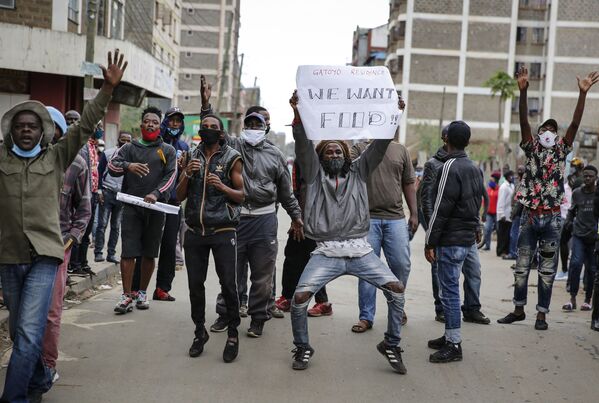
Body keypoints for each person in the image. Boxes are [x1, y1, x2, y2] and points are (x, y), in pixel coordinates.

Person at [0, 49, 124, 403]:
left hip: (45, 257)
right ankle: (39, 378)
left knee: (26, 332)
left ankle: (15, 397)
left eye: (33, 126)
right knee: (20, 329)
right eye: (20, 126)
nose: (26, 131)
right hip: (9, 258)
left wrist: (107, 90)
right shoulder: (1, 158)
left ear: (43, 132)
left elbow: (84, 124)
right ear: (12, 131)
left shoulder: (56, 157)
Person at [288, 91, 406, 373]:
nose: (334, 153)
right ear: (321, 157)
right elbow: (303, 145)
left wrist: (394, 114)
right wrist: (298, 113)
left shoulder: (360, 171)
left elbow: (379, 146)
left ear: (347, 155)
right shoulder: (315, 175)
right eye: (329, 151)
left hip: (360, 250)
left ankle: (391, 343)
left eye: (338, 150)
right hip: (326, 252)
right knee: (299, 299)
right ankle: (303, 346)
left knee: (397, 290)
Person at [497, 67, 599, 330]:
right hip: (530, 216)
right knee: (521, 265)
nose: (548, 133)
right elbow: (522, 123)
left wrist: (582, 95)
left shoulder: (562, 150)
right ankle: (519, 309)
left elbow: (575, 124)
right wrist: (523, 92)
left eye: (553, 130)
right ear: (539, 133)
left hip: (552, 218)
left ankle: (541, 314)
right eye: (545, 129)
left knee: (547, 270)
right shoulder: (531, 149)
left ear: (557, 136)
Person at [201, 77, 303, 338]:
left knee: (262, 276)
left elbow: (286, 193)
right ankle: (226, 314)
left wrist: (296, 217)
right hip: (235, 218)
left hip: (264, 220)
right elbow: (211, 131)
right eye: (250, 123)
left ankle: (258, 317)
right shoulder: (233, 146)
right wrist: (206, 105)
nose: (254, 127)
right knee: (230, 273)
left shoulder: (276, 155)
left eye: (259, 124)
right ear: (244, 126)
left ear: (266, 128)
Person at [176, 114, 245, 362]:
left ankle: (233, 333)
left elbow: (242, 195)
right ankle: (199, 332)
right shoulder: (190, 157)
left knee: (228, 284)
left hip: (223, 231)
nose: (208, 130)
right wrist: (186, 173)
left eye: (213, 128)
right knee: (195, 285)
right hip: (195, 231)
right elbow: (178, 196)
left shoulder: (231, 158)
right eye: (204, 127)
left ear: (221, 133)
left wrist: (222, 186)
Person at [350, 97, 416, 333]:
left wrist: (414, 214)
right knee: (367, 269)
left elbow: (409, 183)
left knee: (401, 265)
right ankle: (366, 316)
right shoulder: (359, 149)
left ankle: (397, 307)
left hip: (395, 219)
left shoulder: (401, 151)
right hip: (366, 220)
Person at [424, 120, 486, 363]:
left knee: (449, 293)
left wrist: (430, 241)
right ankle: (449, 334)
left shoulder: (449, 167)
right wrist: (477, 227)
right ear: (468, 141)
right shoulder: (473, 167)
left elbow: (441, 209)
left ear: (446, 139)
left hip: (451, 240)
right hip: (465, 239)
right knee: (452, 291)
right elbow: (477, 203)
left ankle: (454, 344)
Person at [108, 106, 177, 314]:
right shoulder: (129, 147)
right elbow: (112, 166)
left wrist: (155, 194)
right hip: (131, 207)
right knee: (128, 252)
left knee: (149, 253)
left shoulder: (167, 150)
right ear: (141, 125)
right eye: (147, 121)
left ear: (160, 125)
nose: (151, 124)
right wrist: (129, 166)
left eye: (155, 122)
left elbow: (171, 177)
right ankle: (126, 296)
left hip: (155, 209)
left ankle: (142, 294)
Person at [42, 106, 92, 384]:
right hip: (22, 251)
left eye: (53, 127)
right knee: (22, 316)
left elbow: (84, 211)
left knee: (50, 313)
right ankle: (26, 362)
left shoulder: (77, 164)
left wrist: (69, 242)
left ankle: (47, 366)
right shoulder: (19, 162)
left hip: (57, 249)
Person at [274, 161, 333, 317]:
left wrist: (300, 220)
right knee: (293, 257)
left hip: (315, 221)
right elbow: (298, 191)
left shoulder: (318, 159)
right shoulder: (301, 159)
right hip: (302, 218)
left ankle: (323, 302)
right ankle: (288, 297)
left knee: (314, 260)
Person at [152, 106, 190, 302]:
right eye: (171, 120)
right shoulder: (155, 143)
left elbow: (187, 176)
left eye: (178, 121)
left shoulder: (184, 148)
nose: (175, 124)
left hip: (174, 203)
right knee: (148, 245)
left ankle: (162, 288)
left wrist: (184, 169)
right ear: (165, 121)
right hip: (153, 201)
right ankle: (136, 288)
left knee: (169, 246)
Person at [68, 121, 105, 276]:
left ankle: (83, 263)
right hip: (85, 194)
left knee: (88, 232)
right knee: (80, 231)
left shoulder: (93, 146)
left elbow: (95, 171)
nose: (101, 130)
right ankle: (74, 265)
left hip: (93, 193)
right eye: (98, 127)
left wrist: (98, 191)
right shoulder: (83, 146)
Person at [562, 165, 598, 312]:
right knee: (575, 264)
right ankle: (572, 298)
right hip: (578, 235)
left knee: (591, 269)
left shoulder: (598, 194)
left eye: (590, 176)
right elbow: (571, 211)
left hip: (594, 238)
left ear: (596, 178)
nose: (588, 178)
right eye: (585, 176)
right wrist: (569, 223)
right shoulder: (577, 193)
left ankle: (587, 300)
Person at [94, 131, 131, 263]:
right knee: (102, 224)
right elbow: (99, 172)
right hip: (107, 191)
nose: (125, 143)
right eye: (123, 140)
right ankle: (98, 253)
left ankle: (111, 254)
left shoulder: (132, 157)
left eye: (128, 141)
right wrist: (99, 191)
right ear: (118, 140)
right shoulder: (108, 153)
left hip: (121, 195)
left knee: (116, 226)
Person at [505, 166, 525, 260]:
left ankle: (513, 253)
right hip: (518, 212)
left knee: (514, 234)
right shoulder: (519, 182)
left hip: (519, 213)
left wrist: (513, 213)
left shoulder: (523, 184)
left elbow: (518, 202)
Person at [496, 170, 515, 257]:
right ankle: (500, 251)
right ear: (507, 177)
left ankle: (506, 251)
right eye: (511, 176)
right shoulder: (503, 187)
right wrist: (501, 214)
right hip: (503, 215)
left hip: (509, 214)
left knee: (507, 234)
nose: (513, 177)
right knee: (502, 234)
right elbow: (501, 201)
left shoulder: (512, 186)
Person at [482, 171, 500, 251]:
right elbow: (484, 200)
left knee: (499, 230)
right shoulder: (488, 190)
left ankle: (499, 247)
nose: (490, 182)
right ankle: (487, 245)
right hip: (489, 213)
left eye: (492, 181)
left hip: (496, 213)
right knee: (487, 229)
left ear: (496, 182)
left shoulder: (499, 190)